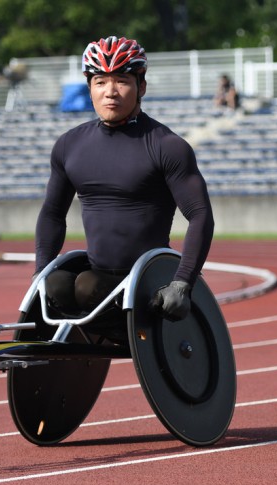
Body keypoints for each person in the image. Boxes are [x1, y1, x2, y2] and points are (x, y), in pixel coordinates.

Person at [35, 36, 214, 322]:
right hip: (97, 274)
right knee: (53, 286)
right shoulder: (69, 145)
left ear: (141, 86)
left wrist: (182, 282)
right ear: (89, 89)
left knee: (85, 286)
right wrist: (39, 274)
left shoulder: (167, 146)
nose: (111, 92)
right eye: (101, 82)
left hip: (149, 281)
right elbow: (52, 214)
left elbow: (200, 214)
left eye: (121, 80)